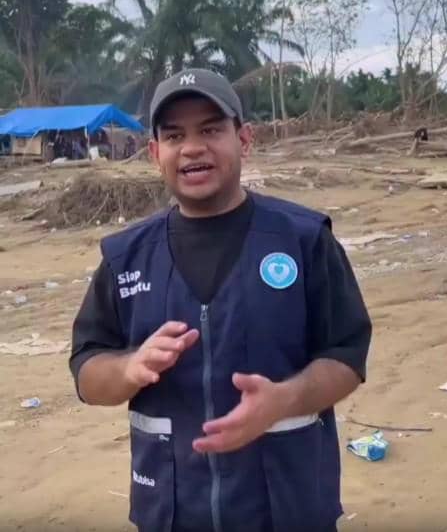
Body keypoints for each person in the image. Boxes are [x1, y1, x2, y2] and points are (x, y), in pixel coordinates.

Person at [69, 68, 372, 532]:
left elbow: (347, 356)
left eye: (211, 130)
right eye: (175, 135)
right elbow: (87, 373)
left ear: (244, 139)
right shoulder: (125, 258)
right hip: (171, 512)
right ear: (155, 153)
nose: (192, 147)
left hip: (288, 508)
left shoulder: (304, 240)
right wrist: (128, 368)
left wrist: (284, 399)